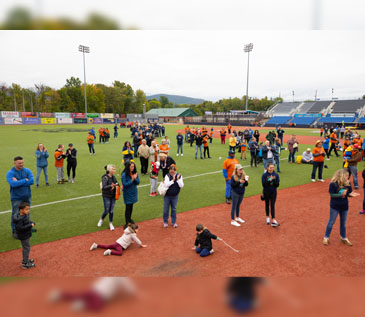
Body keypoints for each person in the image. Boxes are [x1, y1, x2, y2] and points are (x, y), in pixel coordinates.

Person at [323, 169, 359, 246]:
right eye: (346, 176)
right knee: (331, 222)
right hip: (335, 206)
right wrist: (341, 195)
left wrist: (351, 195)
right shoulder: (333, 184)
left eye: (348, 176)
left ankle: (343, 237)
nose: (348, 177)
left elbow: (348, 193)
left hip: (344, 206)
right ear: (341, 176)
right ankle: (326, 237)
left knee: (343, 223)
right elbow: (332, 195)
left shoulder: (348, 183)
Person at [6, 156, 34, 238]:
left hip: (27, 196)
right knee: (15, 214)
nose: (21, 164)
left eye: (22, 163)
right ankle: (15, 231)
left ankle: (27, 228)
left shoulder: (27, 170)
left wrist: (18, 182)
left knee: (27, 212)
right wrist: (25, 180)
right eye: (19, 163)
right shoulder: (10, 173)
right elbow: (13, 184)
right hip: (16, 198)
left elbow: (32, 181)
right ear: (14, 163)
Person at [13, 202, 36, 269]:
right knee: (26, 248)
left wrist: (31, 222)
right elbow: (21, 228)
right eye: (26, 209)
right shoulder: (20, 219)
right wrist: (30, 225)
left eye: (28, 209)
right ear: (21, 210)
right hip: (24, 236)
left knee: (26, 248)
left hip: (25, 234)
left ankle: (26, 260)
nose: (28, 211)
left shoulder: (22, 216)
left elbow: (26, 222)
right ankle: (25, 263)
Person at [97, 165, 119, 231]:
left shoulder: (114, 177)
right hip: (106, 196)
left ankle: (111, 223)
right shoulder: (105, 177)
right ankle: (101, 219)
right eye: (113, 169)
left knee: (111, 210)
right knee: (106, 210)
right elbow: (104, 187)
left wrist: (115, 186)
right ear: (109, 170)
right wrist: (110, 186)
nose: (114, 170)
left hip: (113, 196)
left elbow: (118, 184)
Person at [121, 161, 140, 229]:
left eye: (133, 166)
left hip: (133, 192)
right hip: (127, 193)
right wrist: (132, 180)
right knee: (128, 207)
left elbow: (138, 182)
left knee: (131, 207)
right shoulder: (124, 175)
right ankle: (127, 222)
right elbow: (125, 185)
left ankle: (129, 219)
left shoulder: (134, 173)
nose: (132, 168)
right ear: (128, 167)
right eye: (131, 167)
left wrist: (134, 179)